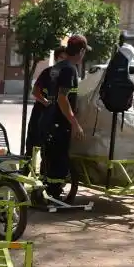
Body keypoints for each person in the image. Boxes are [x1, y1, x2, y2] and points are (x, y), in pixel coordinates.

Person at [40, 35, 89, 200]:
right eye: (84, 52)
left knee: (49, 158)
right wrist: (75, 123)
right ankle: (54, 194)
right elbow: (62, 98)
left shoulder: (56, 68)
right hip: (60, 123)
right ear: (81, 51)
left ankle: (47, 190)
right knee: (59, 159)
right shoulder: (69, 69)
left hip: (50, 120)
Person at [24, 45, 66, 170]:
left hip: (55, 117)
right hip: (40, 113)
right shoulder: (47, 73)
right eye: (61, 58)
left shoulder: (67, 75)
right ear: (57, 58)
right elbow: (35, 92)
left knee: (47, 150)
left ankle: (43, 177)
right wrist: (46, 102)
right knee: (32, 146)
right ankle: (25, 172)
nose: (64, 61)